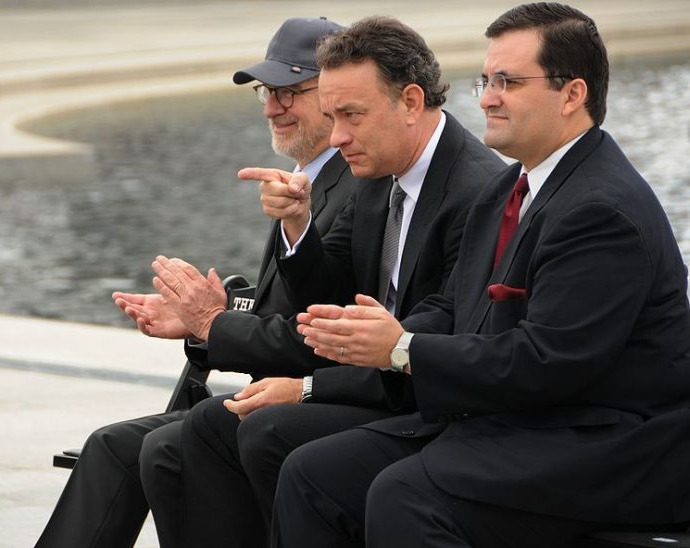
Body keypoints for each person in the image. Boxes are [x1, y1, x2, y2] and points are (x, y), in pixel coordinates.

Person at [273, 3, 690, 547]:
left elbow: (548, 363)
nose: (488, 97)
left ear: (572, 94)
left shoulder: (600, 208)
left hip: (610, 443)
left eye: (509, 82)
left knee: (405, 494)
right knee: (313, 473)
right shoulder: (507, 189)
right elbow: (458, 307)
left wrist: (403, 350)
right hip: (525, 418)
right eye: (487, 80)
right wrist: (370, 336)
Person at [140, 16, 504, 548]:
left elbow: (437, 342)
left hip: (429, 402)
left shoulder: (477, 189)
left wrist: (306, 388)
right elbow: (327, 299)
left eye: (351, 115)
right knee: (208, 425)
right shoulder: (381, 165)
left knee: (265, 432)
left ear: (409, 101)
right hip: (379, 378)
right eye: (332, 116)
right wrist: (298, 225)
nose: (337, 138)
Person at [34, 16, 357, 548]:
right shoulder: (310, 179)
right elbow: (292, 301)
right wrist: (203, 315)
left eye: (288, 91)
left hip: (317, 399)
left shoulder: (354, 183)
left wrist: (214, 322)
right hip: (280, 389)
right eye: (265, 92)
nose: (272, 107)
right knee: (112, 444)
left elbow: (320, 324)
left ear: (338, 93)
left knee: (162, 447)